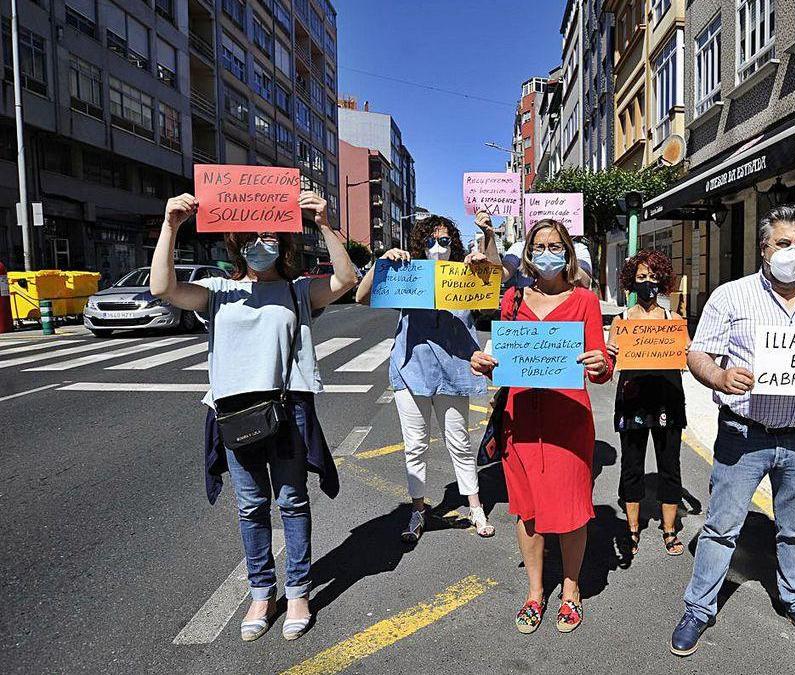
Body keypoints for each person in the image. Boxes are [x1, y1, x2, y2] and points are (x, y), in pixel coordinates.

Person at [151, 191, 357, 642]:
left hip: (287, 410)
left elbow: (345, 279)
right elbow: (162, 288)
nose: (260, 242)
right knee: (250, 506)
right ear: (236, 243)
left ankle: (298, 590)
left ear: (282, 242)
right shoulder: (218, 291)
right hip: (235, 412)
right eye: (251, 236)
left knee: (292, 501)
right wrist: (171, 225)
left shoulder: (298, 289)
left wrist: (325, 223)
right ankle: (262, 592)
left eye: (269, 234)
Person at [670, 205, 795, 657]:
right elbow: (698, 353)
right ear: (764, 248)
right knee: (721, 528)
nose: (793, 253)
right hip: (744, 435)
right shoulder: (731, 296)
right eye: (783, 243)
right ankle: (698, 609)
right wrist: (719, 378)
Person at [470, 218, 612, 634]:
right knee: (527, 511)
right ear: (529, 254)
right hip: (522, 421)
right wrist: (481, 362)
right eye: (540, 245)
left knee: (571, 511)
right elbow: (496, 354)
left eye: (556, 245)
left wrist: (603, 365)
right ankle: (535, 592)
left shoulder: (585, 299)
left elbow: (600, 362)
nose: (547, 252)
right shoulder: (512, 298)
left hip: (569, 420)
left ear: (568, 253)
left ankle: (571, 591)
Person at [355, 210, 502, 542]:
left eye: (445, 240)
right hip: (412, 372)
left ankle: (475, 506)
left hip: (454, 370)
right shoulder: (408, 276)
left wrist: (487, 248)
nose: (438, 246)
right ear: (420, 245)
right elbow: (362, 297)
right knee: (415, 446)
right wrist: (383, 262)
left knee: (460, 443)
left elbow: (494, 292)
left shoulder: (466, 274)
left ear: (454, 244)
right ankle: (418, 510)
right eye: (431, 241)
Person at [605, 249, 687, 558]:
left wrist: (687, 350)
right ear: (630, 282)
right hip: (632, 401)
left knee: (669, 465)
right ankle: (632, 529)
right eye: (641, 277)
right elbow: (608, 366)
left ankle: (669, 530)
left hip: (668, 399)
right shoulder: (621, 321)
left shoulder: (674, 320)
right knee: (632, 465)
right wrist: (608, 355)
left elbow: (686, 358)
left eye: (653, 277)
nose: (647, 283)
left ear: (662, 281)